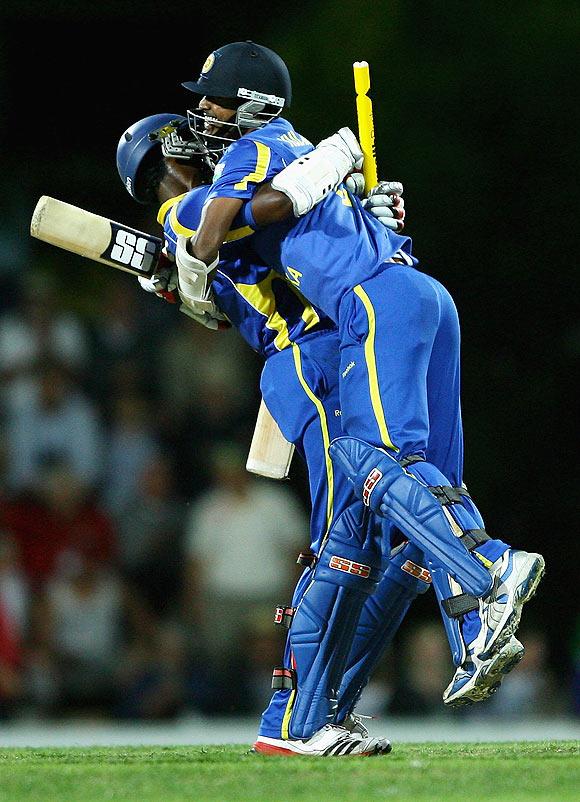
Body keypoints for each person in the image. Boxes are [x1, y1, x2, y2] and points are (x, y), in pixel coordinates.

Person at [175, 41, 544, 722]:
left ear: (250, 104)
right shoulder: (282, 160)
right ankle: (475, 628)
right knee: (426, 486)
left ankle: (489, 571)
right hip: (417, 294)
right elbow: (257, 218)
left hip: (366, 306)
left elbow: (234, 220)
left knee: (369, 464)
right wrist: (331, 188)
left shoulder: (253, 149)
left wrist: (201, 263)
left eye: (211, 99)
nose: (200, 114)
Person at [117, 111, 425, 756]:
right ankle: (291, 718)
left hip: (324, 350)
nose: (204, 138)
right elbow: (271, 206)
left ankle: (323, 707)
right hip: (306, 358)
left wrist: (361, 212)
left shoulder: (206, 219)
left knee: (371, 541)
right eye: (187, 136)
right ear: (166, 155)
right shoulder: (189, 210)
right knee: (341, 536)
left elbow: (283, 242)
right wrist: (327, 170)